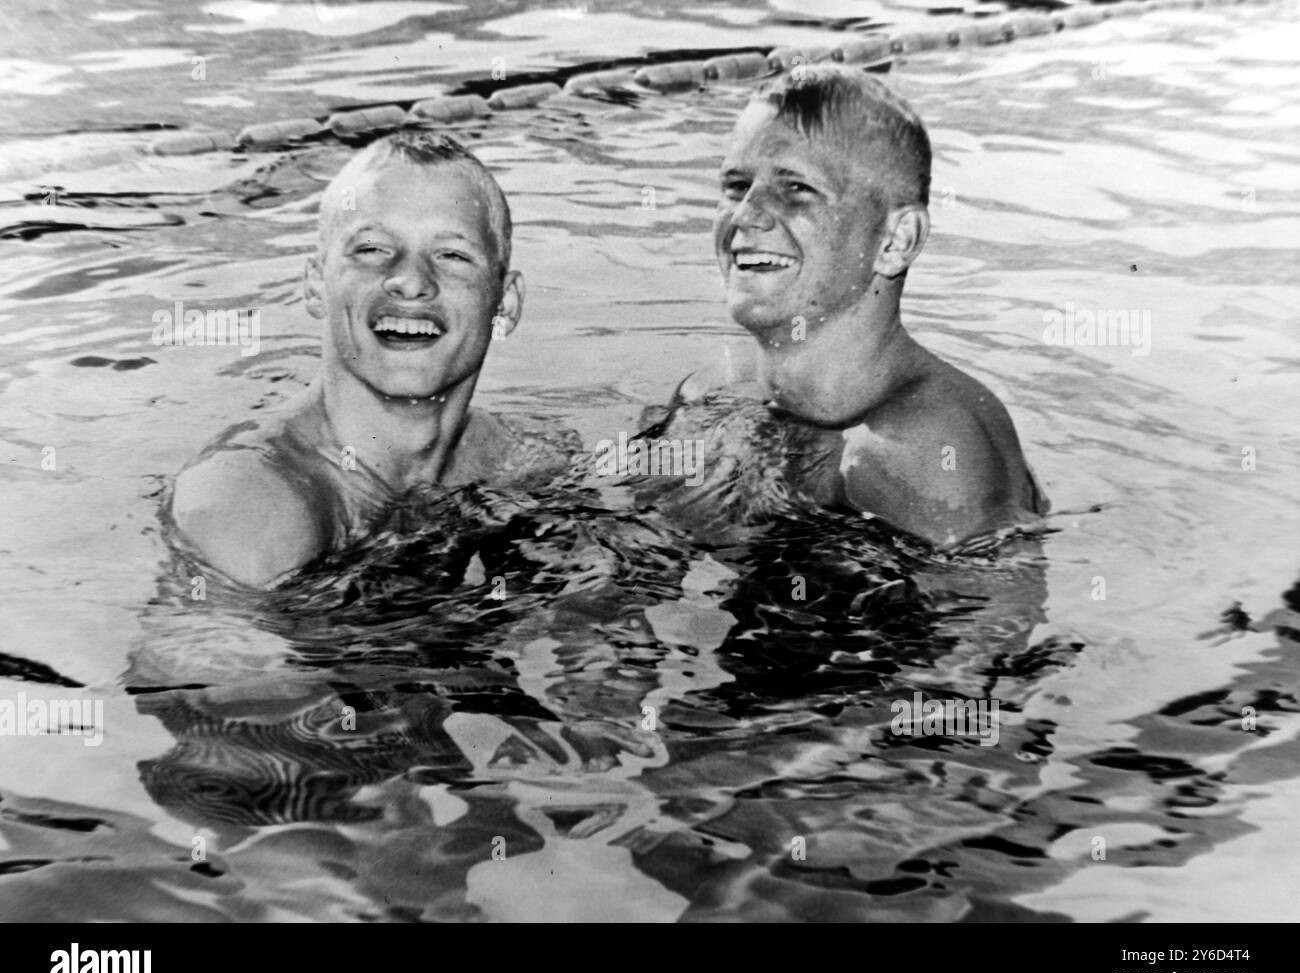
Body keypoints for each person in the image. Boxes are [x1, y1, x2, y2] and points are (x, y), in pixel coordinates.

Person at [170, 131, 574, 587]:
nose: (410, 280)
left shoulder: (523, 460)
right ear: (316, 285)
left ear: (505, 304)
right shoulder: (248, 506)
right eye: (372, 249)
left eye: (452, 254)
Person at [668, 66, 1048, 546]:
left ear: (895, 240)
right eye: (737, 185)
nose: (745, 215)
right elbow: (637, 566)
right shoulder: (716, 390)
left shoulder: (928, 454)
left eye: (796, 189)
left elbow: (989, 619)